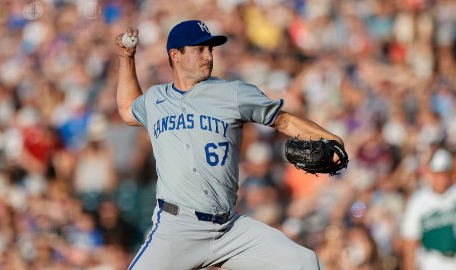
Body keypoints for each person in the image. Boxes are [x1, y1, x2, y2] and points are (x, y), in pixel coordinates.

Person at [115, 20, 345, 270]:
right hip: (177, 228)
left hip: (229, 228)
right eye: (200, 49)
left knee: (304, 262)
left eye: (211, 49)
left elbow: (284, 120)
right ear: (176, 55)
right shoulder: (156, 98)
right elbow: (128, 110)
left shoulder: (233, 93)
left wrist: (332, 140)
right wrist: (126, 57)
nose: (209, 56)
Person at [400, 148, 456, 270]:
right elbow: (410, 242)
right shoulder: (418, 201)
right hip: (433, 262)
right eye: (437, 174)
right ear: (430, 174)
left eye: (445, 173)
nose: (441, 179)